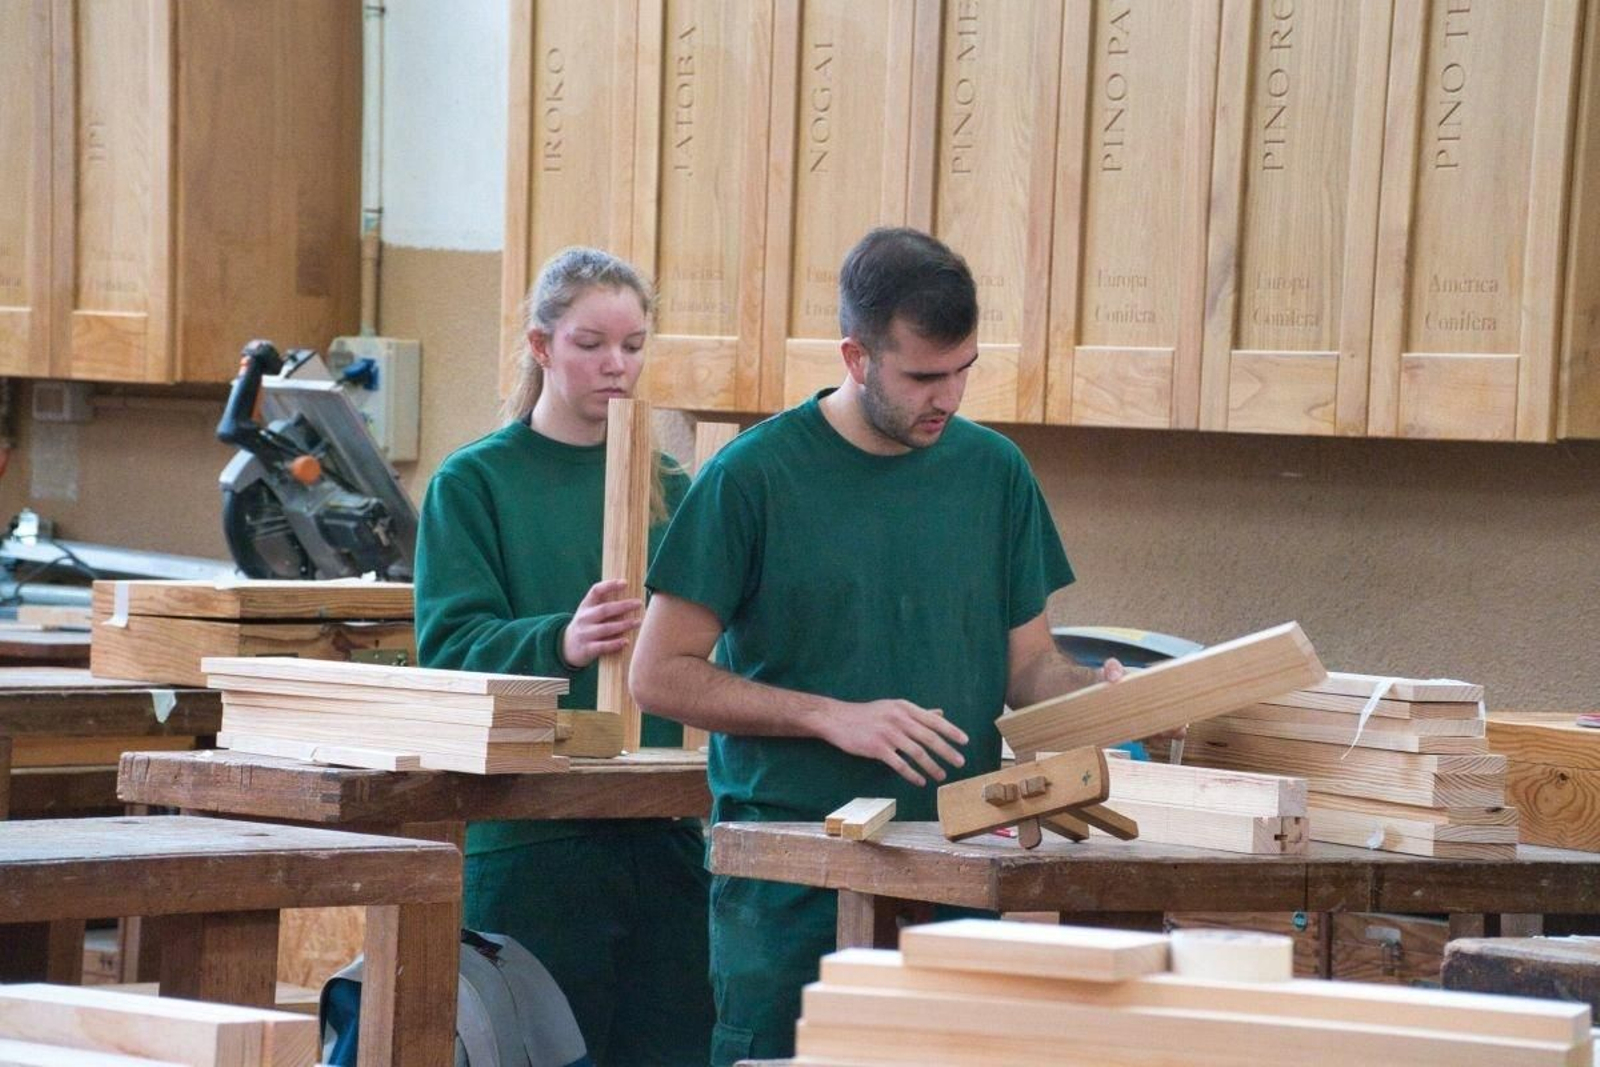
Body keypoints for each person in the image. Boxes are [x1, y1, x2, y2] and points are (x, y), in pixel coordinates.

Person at [630, 227, 1125, 1065]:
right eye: (925, 376)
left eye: (965, 368)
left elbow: (1029, 668)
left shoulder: (994, 472)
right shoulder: (753, 477)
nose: (950, 397)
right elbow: (659, 674)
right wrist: (831, 716)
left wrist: (1107, 694)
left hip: (956, 863)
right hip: (794, 874)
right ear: (856, 358)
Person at [414, 246, 714, 1067]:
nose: (616, 364)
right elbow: (447, 650)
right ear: (542, 346)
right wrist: (560, 639)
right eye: (591, 343)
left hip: (661, 824)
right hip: (532, 833)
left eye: (634, 344)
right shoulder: (474, 483)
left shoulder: (671, 488)